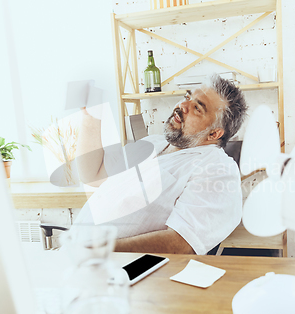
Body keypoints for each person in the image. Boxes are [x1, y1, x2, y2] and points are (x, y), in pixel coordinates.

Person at [74, 74, 247, 255]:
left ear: (214, 134)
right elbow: (94, 175)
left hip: (121, 270)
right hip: (78, 258)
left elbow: (181, 242)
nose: (182, 106)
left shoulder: (217, 169)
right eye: (187, 97)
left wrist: (101, 249)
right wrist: (90, 117)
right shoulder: (153, 143)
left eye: (197, 108)